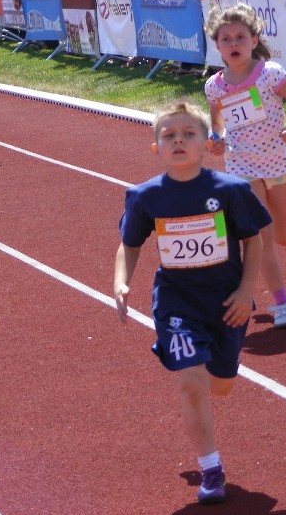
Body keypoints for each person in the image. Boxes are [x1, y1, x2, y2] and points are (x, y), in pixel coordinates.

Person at [113, 99, 270, 506]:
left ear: (207, 143)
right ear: (155, 147)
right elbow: (128, 246)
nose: (178, 140)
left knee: (221, 385)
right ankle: (211, 468)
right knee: (192, 382)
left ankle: (200, 356)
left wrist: (246, 290)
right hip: (176, 302)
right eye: (168, 136)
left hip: (227, 302)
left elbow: (253, 241)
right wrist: (121, 282)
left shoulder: (230, 190)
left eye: (188, 134)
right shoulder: (144, 196)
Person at [204, 2, 286, 328]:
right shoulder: (215, 86)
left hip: (277, 162)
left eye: (240, 37)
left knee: (285, 237)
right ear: (217, 45)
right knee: (261, 239)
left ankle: (248, 260)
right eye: (226, 39)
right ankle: (282, 303)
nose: (234, 44)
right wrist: (214, 141)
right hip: (241, 164)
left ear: (253, 40)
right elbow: (216, 128)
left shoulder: (270, 74)